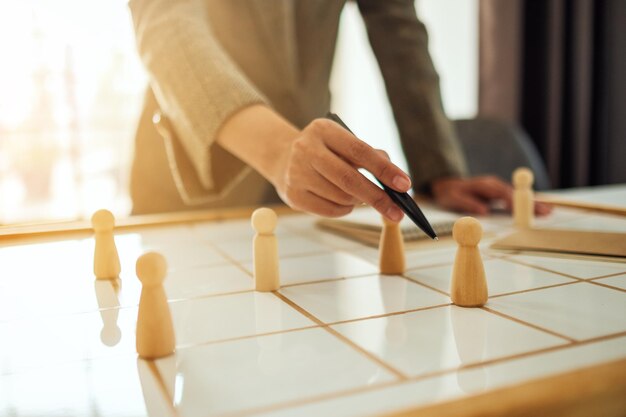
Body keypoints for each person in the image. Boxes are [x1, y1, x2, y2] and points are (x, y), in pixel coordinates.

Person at [128, 0, 550, 220]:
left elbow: (399, 33)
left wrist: (441, 171)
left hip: (311, 180)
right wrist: (277, 149)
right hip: (198, 165)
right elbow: (165, 27)